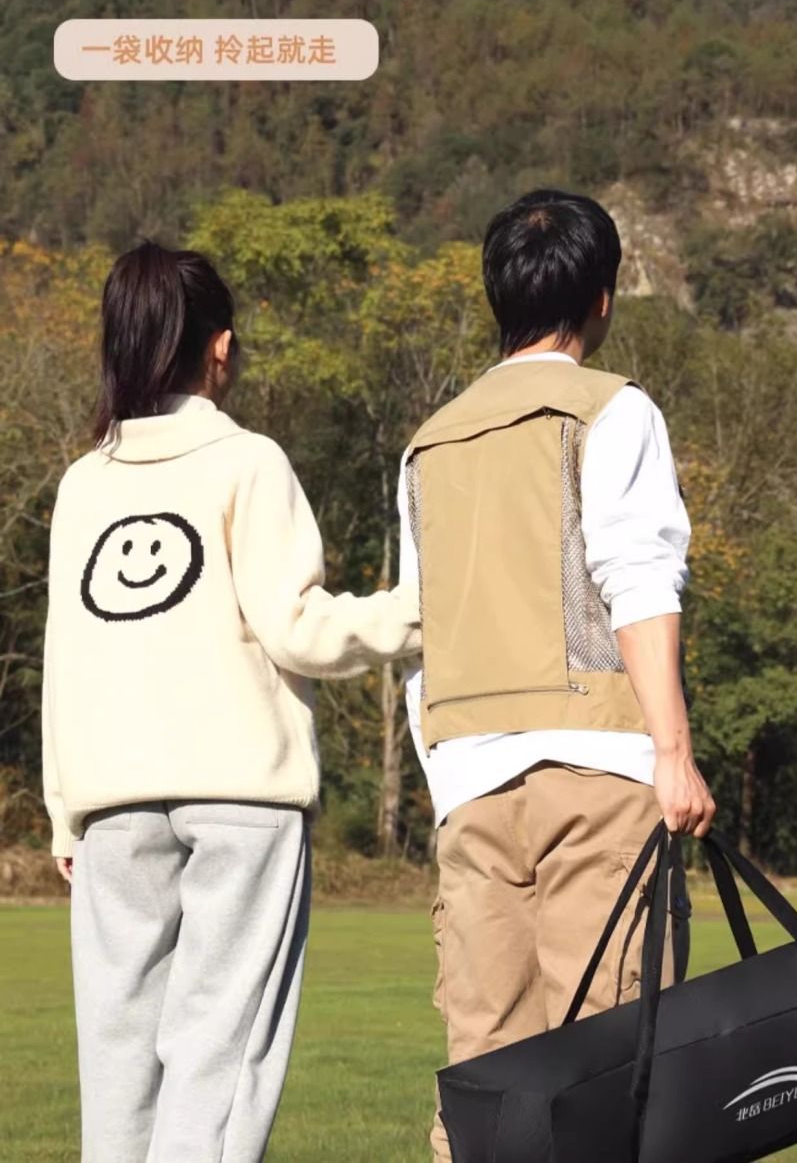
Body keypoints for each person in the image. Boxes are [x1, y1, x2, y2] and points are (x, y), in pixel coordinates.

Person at [43, 241, 420, 1163]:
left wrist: (62, 814)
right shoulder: (247, 461)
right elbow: (297, 630)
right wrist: (423, 613)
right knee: (219, 1053)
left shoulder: (84, 482)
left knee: (118, 1056)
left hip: (111, 805)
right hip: (239, 793)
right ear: (220, 347)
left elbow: (67, 654)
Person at [398, 188, 716, 1160]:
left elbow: (419, 624)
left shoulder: (428, 442)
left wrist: (444, 777)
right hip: (598, 767)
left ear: (499, 296)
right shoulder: (612, 410)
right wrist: (672, 753)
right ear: (600, 299)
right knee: (612, 1068)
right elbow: (636, 579)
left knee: (488, 1077)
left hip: (469, 783)